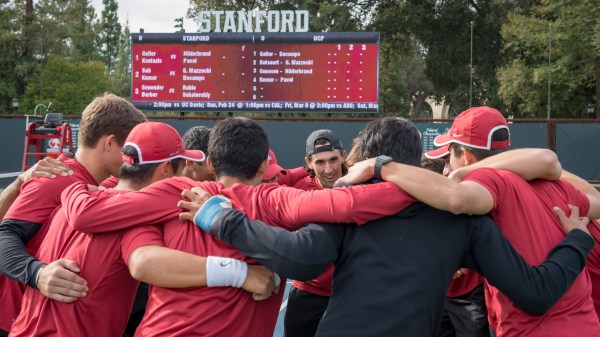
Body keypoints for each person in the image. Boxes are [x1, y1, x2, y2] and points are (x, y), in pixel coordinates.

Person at [185, 116, 595, 337]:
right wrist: (575, 239)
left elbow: (300, 258)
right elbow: (535, 292)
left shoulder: (351, 209)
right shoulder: (462, 221)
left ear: (363, 161)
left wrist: (223, 218)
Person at [58, 117, 418, 337]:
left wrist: (73, 181)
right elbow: (347, 203)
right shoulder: (275, 201)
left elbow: (90, 217)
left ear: (211, 163)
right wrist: (391, 177)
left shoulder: (175, 192)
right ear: (263, 166)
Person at [337, 107, 600, 337]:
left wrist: (381, 167)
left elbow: (458, 198)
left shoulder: (487, 183)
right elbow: (552, 164)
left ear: (463, 153)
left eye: (449, 156)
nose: (447, 168)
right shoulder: (557, 187)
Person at [0, 93, 147, 336]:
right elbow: (4, 236)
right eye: (129, 148)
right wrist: (38, 273)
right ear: (110, 143)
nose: (133, 159)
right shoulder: (56, 177)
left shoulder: (96, 184)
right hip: (15, 319)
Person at [274, 129, 347, 337]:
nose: (329, 169)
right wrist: (303, 171)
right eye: (320, 162)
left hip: (349, 291)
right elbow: (269, 180)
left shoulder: (359, 181)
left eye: (333, 160)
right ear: (308, 162)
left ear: (343, 156)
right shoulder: (298, 187)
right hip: (308, 290)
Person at [422, 155, 490, 337]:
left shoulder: (472, 201)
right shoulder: (418, 208)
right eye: (444, 163)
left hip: (471, 294)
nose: (447, 170)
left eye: (448, 162)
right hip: (438, 294)